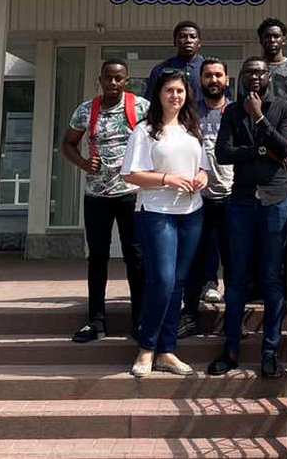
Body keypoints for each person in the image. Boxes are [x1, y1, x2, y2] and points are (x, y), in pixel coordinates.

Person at [207, 57, 287, 379]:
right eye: (249, 72)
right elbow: (223, 153)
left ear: (269, 75)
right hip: (242, 201)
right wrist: (258, 151)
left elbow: (286, 148)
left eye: (260, 72)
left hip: (274, 200)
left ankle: (270, 351)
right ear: (242, 77)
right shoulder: (232, 111)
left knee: (272, 277)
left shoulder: (285, 107)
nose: (255, 77)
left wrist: (259, 117)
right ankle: (231, 349)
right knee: (237, 278)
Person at [120, 69, 209, 378]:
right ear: (158, 94)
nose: (175, 96)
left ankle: (167, 350)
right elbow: (130, 174)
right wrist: (167, 179)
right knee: (162, 280)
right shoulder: (145, 131)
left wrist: (202, 177)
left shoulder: (192, 129)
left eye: (180, 91)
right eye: (169, 90)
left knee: (178, 284)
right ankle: (147, 347)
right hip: (156, 211)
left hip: (192, 212)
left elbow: (203, 167)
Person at [60, 59, 150, 343]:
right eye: (108, 78)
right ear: (99, 80)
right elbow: (67, 143)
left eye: (118, 78)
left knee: (136, 257)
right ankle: (96, 321)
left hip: (132, 194)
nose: (113, 83)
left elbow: (159, 139)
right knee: (97, 257)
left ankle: (140, 321)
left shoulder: (142, 107)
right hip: (97, 196)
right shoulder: (86, 110)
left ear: (126, 81)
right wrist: (84, 163)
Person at [179, 58, 234, 337]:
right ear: (200, 80)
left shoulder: (236, 111)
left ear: (227, 79)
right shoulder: (189, 113)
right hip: (196, 196)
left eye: (218, 75)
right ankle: (189, 315)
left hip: (232, 194)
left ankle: (234, 321)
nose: (214, 80)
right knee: (194, 259)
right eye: (208, 76)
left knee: (234, 260)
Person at [144, 20, 206, 106]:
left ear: (199, 43)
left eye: (193, 37)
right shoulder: (161, 69)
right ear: (175, 42)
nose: (188, 40)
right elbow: (150, 101)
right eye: (183, 36)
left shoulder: (209, 70)